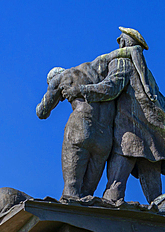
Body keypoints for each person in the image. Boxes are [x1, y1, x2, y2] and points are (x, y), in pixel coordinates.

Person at [73, 27, 165, 205]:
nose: (118, 42)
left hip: (129, 136)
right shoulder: (146, 72)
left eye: (120, 39)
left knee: (115, 188)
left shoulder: (123, 63)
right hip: (153, 141)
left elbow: (110, 88)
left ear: (124, 42)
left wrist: (80, 90)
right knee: (157, 199)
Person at [36, 60, 116, 199]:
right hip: (105, 137)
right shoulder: (98, 73)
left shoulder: (61, 78)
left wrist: (54, 90)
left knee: (71, 189)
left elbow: (42, 112)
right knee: (87, 194)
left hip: (81, 127)